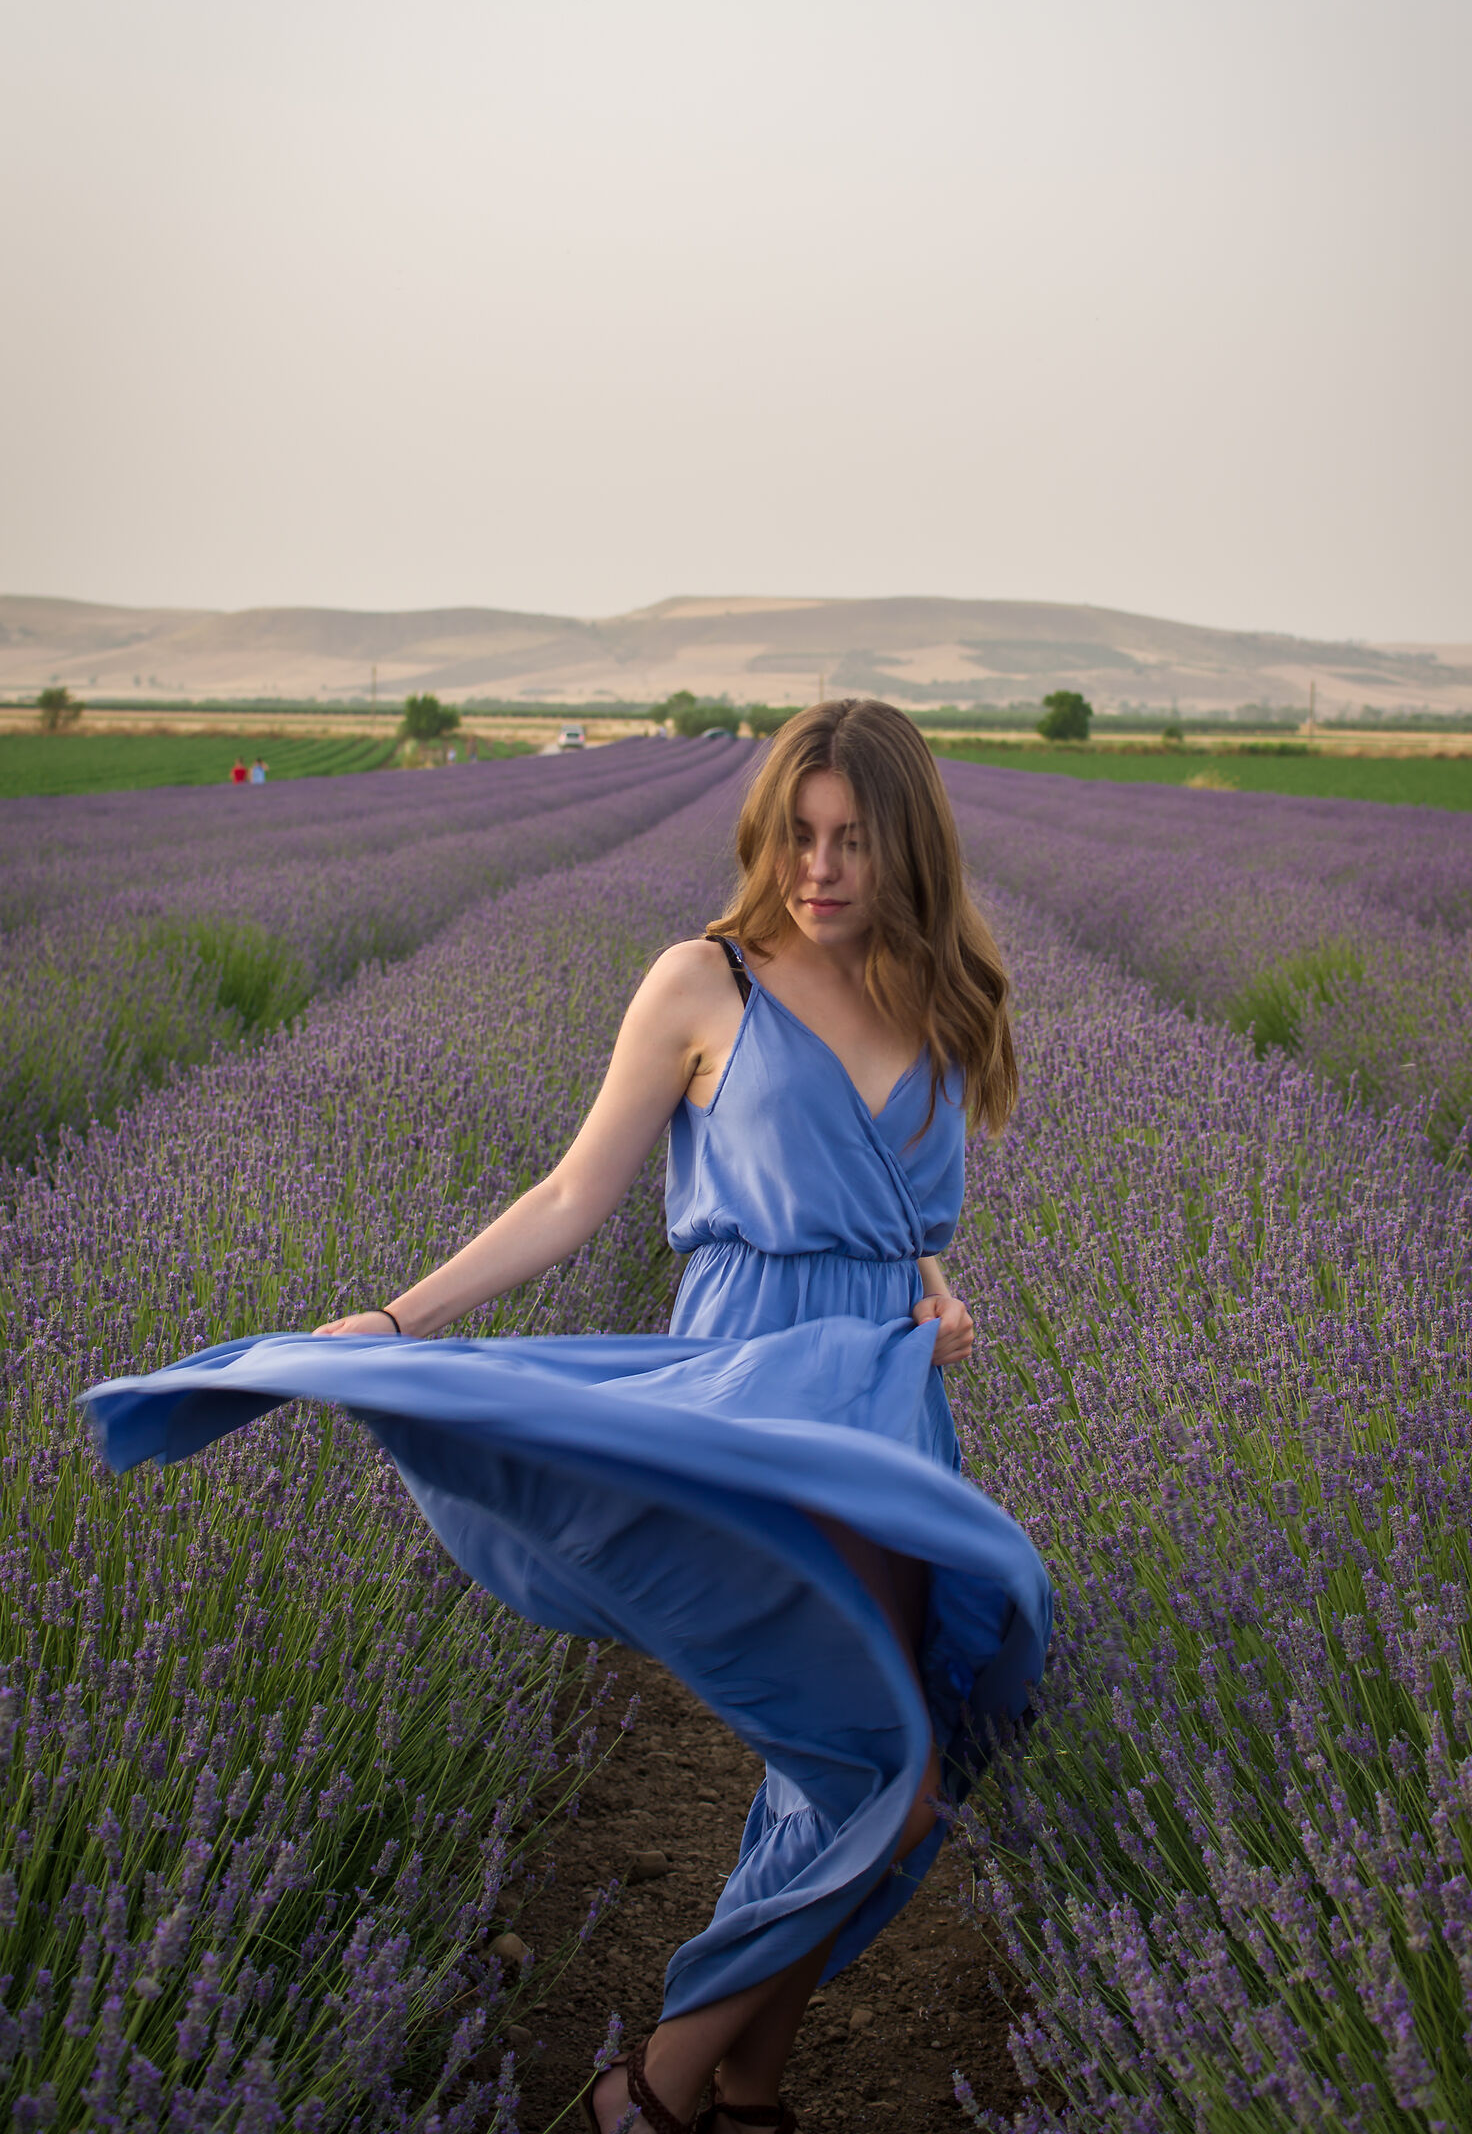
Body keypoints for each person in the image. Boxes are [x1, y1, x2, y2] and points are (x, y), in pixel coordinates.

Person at [79, 700, 1051, 2134]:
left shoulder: (949, 1002)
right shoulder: (701, 984)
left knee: (870, 1763)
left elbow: (894, 1216)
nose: (821, 867)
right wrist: (400, 1322)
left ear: (911, 846)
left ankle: (748, 2093)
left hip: (884, 1413)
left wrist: (939, 1291)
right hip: (743, 1400)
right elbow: (568, 1198)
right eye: (798, 834)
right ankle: (653, 2091)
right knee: (870, 1769)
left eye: (853, 840)